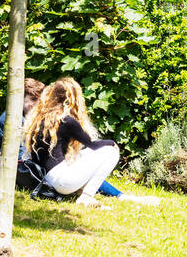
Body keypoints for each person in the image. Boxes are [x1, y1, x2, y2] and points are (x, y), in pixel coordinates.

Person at [24, 77, 120, 206]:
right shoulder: (66, 120)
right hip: (62, 182)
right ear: (73, 98)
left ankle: (83, 191)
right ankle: (86, 196)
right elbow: (92, 145)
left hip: (45, 179)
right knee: (110, 151)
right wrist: (112, 143)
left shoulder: (40, 117)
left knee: (81, 155)